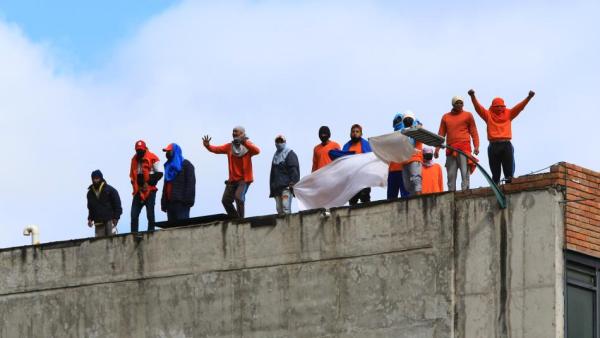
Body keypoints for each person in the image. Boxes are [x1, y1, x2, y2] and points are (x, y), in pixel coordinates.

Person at [468, 89, 535, 184]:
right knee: (495, 174)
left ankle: (509, 190)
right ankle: (496, 190)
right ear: (492, 107)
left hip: (506, 144)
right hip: (493, 146)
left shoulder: (509, 114)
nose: (499, 108)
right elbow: (478, 108)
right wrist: (473, 96)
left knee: (509, 174)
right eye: (497, 106)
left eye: (501, 106)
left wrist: (528, 97)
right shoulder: (488, 115)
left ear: (504, 106)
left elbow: (520, 107)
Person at [203, 126, 260, 218]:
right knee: (225, 200)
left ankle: (241, 220)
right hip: (232, 180)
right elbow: (216, 149)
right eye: (233, 132)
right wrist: (208, 146)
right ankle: (235, 218)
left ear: (242, 133)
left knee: (239, 197)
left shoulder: (247, 145)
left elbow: (257, 151)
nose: (233, 133)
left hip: (244, 180)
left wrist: (244, 142)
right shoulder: (229, 146)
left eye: (236, 131)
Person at [435, 96, 480, 191]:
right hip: (451, 149)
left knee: (465, 173)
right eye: (457, 103)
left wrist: (476, 146)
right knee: (451, 175)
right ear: (453, 104)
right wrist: (437, 149)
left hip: (464, 149)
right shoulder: (446, 117)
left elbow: (474, 131)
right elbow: (441, 134)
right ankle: (451, 194)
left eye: (461, 103)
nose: (459, 105)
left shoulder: (468, 115)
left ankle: (465, 193)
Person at [330, 124, 373, 206]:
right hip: (352, 179)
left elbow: (371, 158)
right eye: (353, 131)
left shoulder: (366, 144)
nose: (355, 133)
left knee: (365, 198)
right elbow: (342, 161)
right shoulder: (346, 146)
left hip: (364, 177)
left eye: (357, 131)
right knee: (353, 200)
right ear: (350, 134)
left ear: (361, 134)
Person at [129, 140, 163, 233]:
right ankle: (133, 234)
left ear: (145, 149)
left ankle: (151, 233)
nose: (139, 152)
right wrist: (136, 188)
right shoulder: (134, 160)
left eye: (141, 150)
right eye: (137, 150)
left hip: (150, 190)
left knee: (150, 215)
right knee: (134, 214)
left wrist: (148, 183)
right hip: (138, 191)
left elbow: (159, 173)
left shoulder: (153, 157)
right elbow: (132, 175)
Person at [161, 143, 196, 221]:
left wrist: (188, 201)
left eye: (169, 151)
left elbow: (191, 184)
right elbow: (165, 186)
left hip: (182, 203)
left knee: (182, 229)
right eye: (166, 152)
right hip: (170, 204)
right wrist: (163, 203)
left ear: (175, 151)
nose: (167, 154)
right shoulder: (168, 167)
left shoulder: (186, 165)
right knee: (172, 231)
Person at [269, 135, 300, 215]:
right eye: (277, 141)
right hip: (277, 189)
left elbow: (294, 169)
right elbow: (273, 173)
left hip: (286, 188)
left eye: (281, 141)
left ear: (285, 142)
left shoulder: (289, 154)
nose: (279, 143)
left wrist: (293, 182)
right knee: (279, 209)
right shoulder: (275, 155)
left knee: (285, 207)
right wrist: (272, 187)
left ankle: (288, 226)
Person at [87, 170, 122, 237]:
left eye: (97, 178)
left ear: (101, 178)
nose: (95, 180)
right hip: (98, 222)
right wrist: (90, 219)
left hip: (110, 220)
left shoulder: (110, 190)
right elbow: (90, 208)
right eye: (94, 179)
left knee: (113, 241)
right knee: (99, 244)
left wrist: (116, 218)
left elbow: (117, 204)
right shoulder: (90, 193)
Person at [398, 111, 423, 196]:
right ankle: (413, 198)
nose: (407, 120)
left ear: (413, 120)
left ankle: (419, 198)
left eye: (409, 118)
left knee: (416, 179)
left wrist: (418, 125)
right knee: (407, 185)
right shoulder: (402, 132)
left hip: (415, 158)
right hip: (405, 160)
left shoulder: (417, 130)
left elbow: (420, 128)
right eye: (405, 119)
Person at [387, 113, 410, 200]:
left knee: (405, 196)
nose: (397, 121)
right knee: (391, 198)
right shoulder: (390, 137)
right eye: (396, 120)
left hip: (403, 169)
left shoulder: (407, 133)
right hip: (393, 170)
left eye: (399, 119)